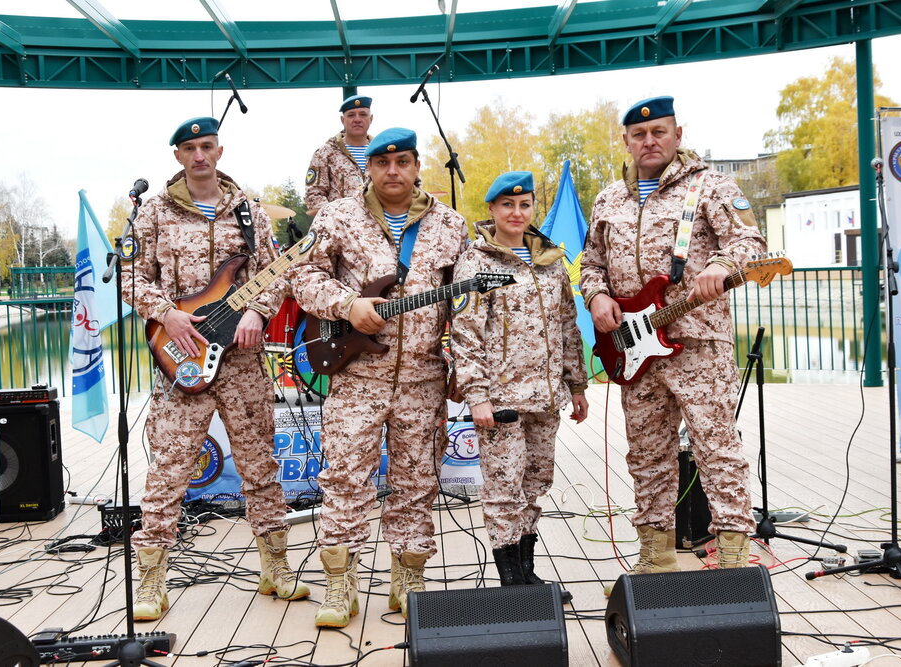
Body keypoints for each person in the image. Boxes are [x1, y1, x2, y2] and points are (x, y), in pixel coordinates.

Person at [120, 116, 309, 621]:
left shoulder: (248, 207)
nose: (199, 155)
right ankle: (152, 582)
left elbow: (276, 271)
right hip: (180, 357)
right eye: (189, 148)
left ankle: (276, 566)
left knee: (259, 465)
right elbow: (131, 277)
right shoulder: (154, 212)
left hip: (242, 361)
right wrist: (168, 314)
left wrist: (256, 310)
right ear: (178, 156)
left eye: (206, 146)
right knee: (168, 470)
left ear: (219, 151)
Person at [580, 96, 765, 592]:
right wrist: (596, 296)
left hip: (699, 344)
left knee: (717, 448)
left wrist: (723, 267)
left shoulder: (710, 187)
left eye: (659, 132)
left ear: (677, 135)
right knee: (646, 454)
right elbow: (590, 262)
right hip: (635, 350)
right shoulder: (607, 200)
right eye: (639, 135)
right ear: (626, 141)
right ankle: (656, 560)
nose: (649, 141)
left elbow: (751, 244)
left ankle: (732, 563)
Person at [289, 127, 469, 628]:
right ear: (368, 168)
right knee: (345, 478)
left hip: (424, 377)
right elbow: (302, 275)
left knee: (416, 482)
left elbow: (466, 306)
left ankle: (407, 579)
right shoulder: (337, 216)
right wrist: (348, 304)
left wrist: (463, 366)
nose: (394, 171)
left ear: (417, 166)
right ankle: (340, 585)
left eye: (404, 161)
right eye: (383, 162)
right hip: (356, 376)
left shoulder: (450, 225)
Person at [451, 171, 589, 596]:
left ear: (533, 210)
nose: (517, 212)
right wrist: (477, 397)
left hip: (546, 399)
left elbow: (568, 326)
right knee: (503, 487)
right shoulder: (477, 262)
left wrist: (577, 385)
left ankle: (528, 575)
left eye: (525, 205)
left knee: (534, 484)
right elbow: (465, 330)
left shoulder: (549, 260)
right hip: (502, 400)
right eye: (507, 205)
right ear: (491, 210)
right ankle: (511, 583)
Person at [303, 94, 373, 216]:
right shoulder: (325, 153)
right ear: (342, 120)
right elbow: (313, 195)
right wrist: (338, 218)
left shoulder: (382, 153)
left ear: (371, 119)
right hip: (340, 229)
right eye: (351, 115)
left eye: (363, 114)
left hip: (378, 227)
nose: (357, 119)